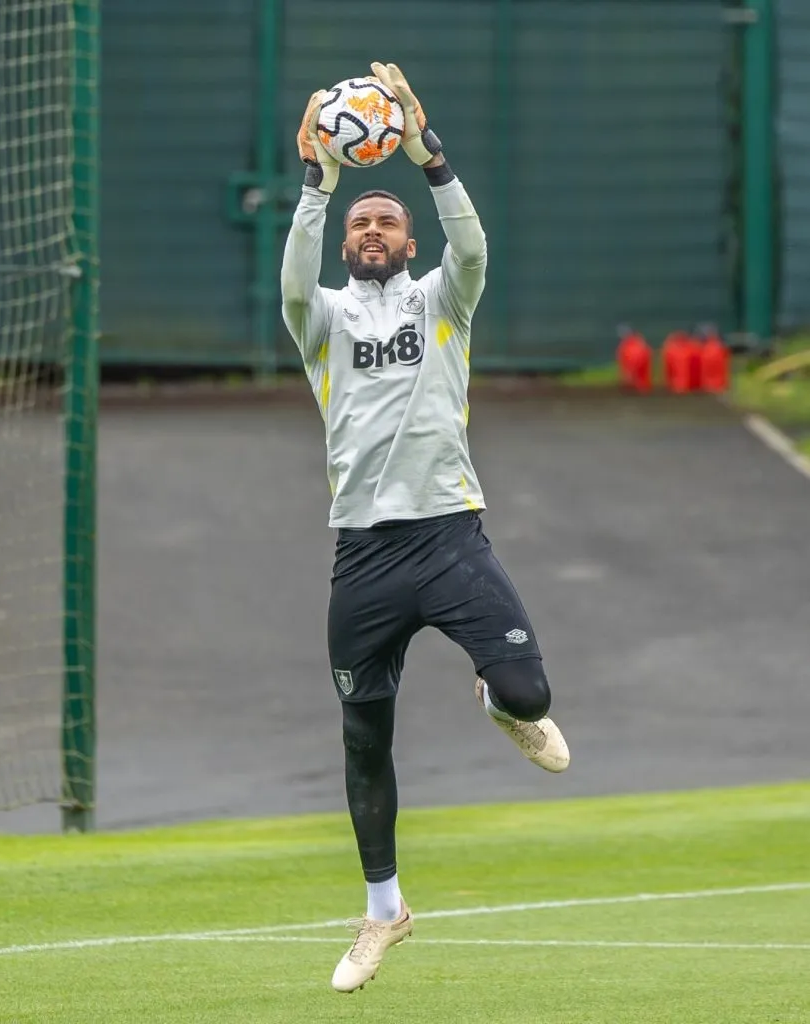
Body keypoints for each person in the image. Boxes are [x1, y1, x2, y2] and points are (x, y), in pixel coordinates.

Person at [281, 62, 570, 994]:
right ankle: (382, 913)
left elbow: (475, 247)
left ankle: (498, 704)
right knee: (363, 735)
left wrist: (426, 154)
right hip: (361, 555)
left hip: (449, 538)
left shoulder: (444, 301)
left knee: (529, 694)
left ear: (408, 241)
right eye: (360, 223)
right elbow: (293, 273)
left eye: (385, 221)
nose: (371, 231)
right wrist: (318, 181)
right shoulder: (320, 317)